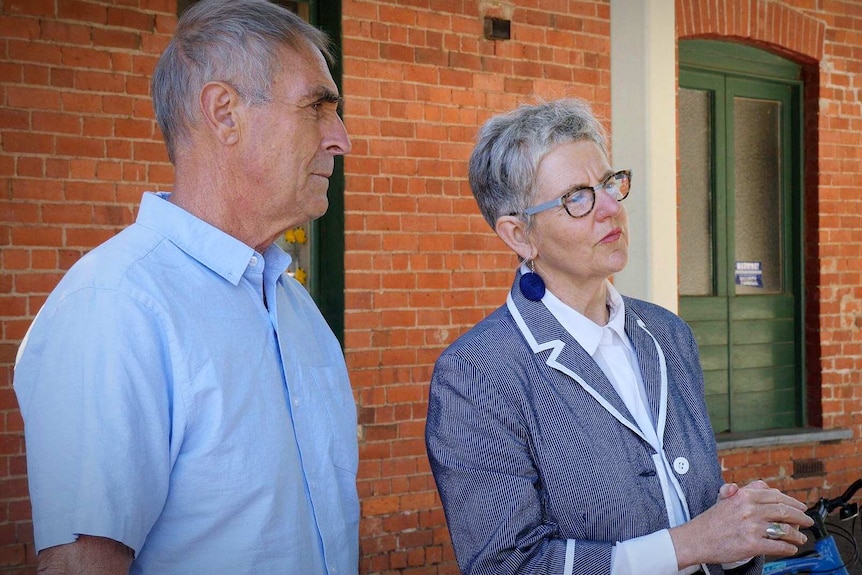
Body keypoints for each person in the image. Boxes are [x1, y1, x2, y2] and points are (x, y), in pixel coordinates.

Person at [13, 1, 357, 573]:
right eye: (317, 108)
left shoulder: (294, 305)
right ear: (224, 113)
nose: (340, 138)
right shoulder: (116, 306)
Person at [424, 99, 813, 575]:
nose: (611, 208)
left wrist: (736, 528)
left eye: (609, 184)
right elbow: (507, 566)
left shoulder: (668, 335)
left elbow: (691, 514)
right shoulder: (479, 373)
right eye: (577, 197)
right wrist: (689, 544)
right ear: (520, 235)